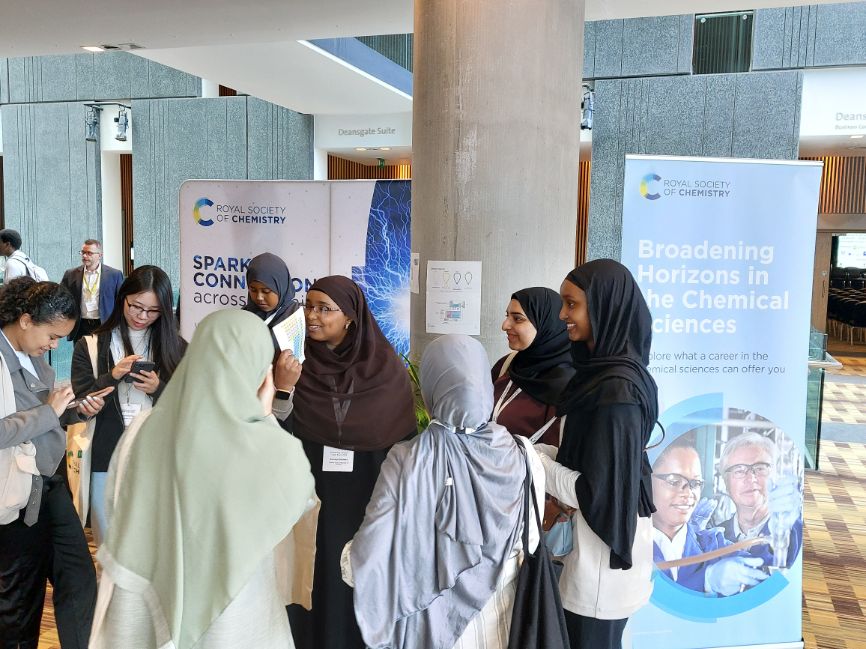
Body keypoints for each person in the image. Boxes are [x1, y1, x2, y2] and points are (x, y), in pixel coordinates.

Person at [88, 309, 317, 649]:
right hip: (238, 613)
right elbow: (300, 502)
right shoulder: (267, 447)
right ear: (260, 371)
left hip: (146, 600)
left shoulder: (144, 428)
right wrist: (264, 417)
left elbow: (116, 501)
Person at [343, 334, 545, 649]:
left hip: (429, 628)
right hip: (504, 624)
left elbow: (369, 555)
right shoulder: (522, 452)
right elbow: (530, 539)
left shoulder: (408, 460)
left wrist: (346, 560)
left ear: (431, 387)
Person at [534, 259, 657, 649]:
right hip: (591, 555)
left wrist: (533, 459)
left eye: (572, 305)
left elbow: (597, 492)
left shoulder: (616, 393)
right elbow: (596, 457)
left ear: (604, 306)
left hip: (600, 565)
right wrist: (549, 452)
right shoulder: (604, 375)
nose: (561, 315)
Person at [288, 275, 416, 649]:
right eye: (308, 306)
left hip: (369, 499)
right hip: (313, 498)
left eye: (324, 309)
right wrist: (283, 388)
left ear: (350, 317)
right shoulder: (295, 365)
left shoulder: (387, 372)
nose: (312, 316)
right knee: (317, 576)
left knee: (362, 577)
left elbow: (400, 445)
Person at [0, 277, 109, 649]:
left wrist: (75, 411)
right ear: (26, 319)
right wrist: (50, 412)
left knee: (78, 576)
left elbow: (45, 415)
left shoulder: (32, 357)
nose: (55, 345)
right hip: (15, 490)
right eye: (52, 335)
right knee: (19, 596)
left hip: (50, 481)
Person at [70, 265, 185, 545]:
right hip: (105, 457)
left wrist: (159, 390)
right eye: (136, 306)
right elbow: (79, 403)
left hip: (157, 458)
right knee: (110, 544)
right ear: (123, 298)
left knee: (152, 546)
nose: (142, 317)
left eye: (153, 311)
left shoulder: (176, 347)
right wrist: (114, 376)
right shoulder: (91, 345)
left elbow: (189, 406)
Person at [650, 441, 767, 595]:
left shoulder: (713, 544)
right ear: (646, 481)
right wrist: (706, 580)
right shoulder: (626, 545)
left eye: (695, 483)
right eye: (674, 481)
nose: (688, 492)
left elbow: (769, 573)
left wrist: (784, 523)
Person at [492, 287, 573, 445]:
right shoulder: (506, 365)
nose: (505, 325)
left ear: (546, 324)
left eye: (518, 318)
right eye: (507, 316)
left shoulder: (573, 384)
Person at [718, 432, 803, 569]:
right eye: (739, 470)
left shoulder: (798, 533)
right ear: (726, 484)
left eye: (760, 468)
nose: (751, 478)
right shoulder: (713, 536)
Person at [60, 239, 124, 343]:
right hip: (80, 326)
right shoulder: (71, 274)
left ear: (100, 255)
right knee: (81, 357)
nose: (84, 256)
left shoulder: (114, 275)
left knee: (103, 357)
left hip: (104, 325)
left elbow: (121, 302)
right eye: (83, 252)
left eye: (89, 253)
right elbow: (62, 298)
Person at [243, 252, 301, 353]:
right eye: (253, 290)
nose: (259, 297)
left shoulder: (297, 317)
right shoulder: (243, 317)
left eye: (266, 291)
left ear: (281, 287)